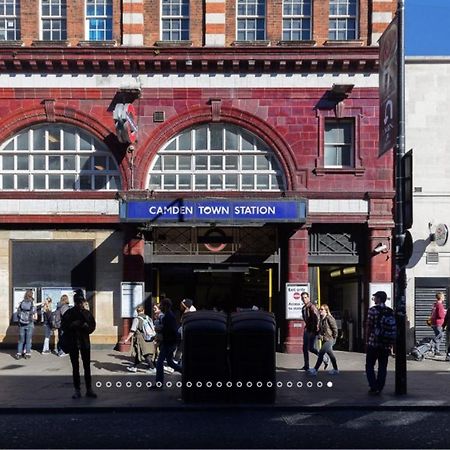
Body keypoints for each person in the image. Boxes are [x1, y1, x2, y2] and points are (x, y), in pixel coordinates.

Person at [61, 292, 97, 399]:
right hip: (73, 342)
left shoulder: (87, 313)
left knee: (87, 366)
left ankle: (89, 389)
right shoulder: (69, 313)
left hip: (84, 342)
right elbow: (63, 326)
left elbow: (92, 326)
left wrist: (86, 326)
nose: (80, 304)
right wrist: (73, 325)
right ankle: (77, 390)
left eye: (81, 302)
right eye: (78, 302)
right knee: (75, 367)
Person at [365, 290, 395, 395]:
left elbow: (369, 326)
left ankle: (373, 386)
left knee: (369, 365)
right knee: (382, 366)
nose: (374, 299)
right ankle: (380, 386)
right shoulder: (390, 311)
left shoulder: (372, 310)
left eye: (375, 297)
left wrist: (367, 340)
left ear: (379, 299)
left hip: (374, 342)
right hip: (385, 344)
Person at [152, 298, 182, 389]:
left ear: (165, 306)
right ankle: (185, 371)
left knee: (159, 362)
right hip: (171, 342)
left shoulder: (168, 316)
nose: (160, 306)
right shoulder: (169, 315)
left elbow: (170, 329)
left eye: (161, 305)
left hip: (168, 342)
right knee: (170, 362)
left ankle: (159, 384)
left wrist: (160, 329)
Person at [122, 304, 156, 374]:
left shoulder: (136, 319)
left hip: (141, 339)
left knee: (145, 353)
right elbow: (153, 328)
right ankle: (134, 367)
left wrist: (127, 339)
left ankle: (152, 368)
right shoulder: (149, 318)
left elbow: (132, 331)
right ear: (143, 310)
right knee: (139, 352)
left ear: (137, 311)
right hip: (149, 338)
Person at [308, 304, 339, 375]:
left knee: (321, 353)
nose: (320, 310)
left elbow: (335, 329)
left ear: (326, 310)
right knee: (331, 354)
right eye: (320, 309)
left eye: (322, 309)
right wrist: (320, 335)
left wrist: (334, 337)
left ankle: (315, 370)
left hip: (330, 339)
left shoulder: (329, 318)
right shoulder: (322, 319)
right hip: (325, 339)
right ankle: (336, 369)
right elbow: (322, 330)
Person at [300, 292, 328, 370]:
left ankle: (324, 358)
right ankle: (306, 365)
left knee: (310, 348)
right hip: (307, 329)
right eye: (302, 298)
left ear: (308, 298)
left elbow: (317, 318)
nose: (304, 299)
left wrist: (316, 330)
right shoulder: (304, 308)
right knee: (306, 348)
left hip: (312, 330)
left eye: (305, 297)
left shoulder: (312, 307)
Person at [15, 289, 37, 360]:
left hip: (21, 324)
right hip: (29, 324)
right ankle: (27, 354)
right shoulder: (32, 303)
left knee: (21, 340)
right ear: (31, 295)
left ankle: (19, 354)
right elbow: (35, 316)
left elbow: (18, 313)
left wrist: (21, 320)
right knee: (28, 340)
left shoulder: (22, 303)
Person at [174, 298, 197, 362]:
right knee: (182, 348)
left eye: (182, 305)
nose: (180, 306)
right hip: (185, 333)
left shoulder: (190, 312)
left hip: (188, 334)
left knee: (181, 348)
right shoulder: (188, 311)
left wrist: (185, 311)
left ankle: (176, 362)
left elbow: (182, 321)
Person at [430, 292, 446, 356]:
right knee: (440, 336)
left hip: (434, 323)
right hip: (439, 323)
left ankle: (437, 351)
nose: (444, 297)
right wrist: (445, 313)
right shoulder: (440, 305)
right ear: (441, 297)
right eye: (443, 296)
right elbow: (440, 315)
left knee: (439, 336)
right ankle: (431, 344)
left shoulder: (435, 304)